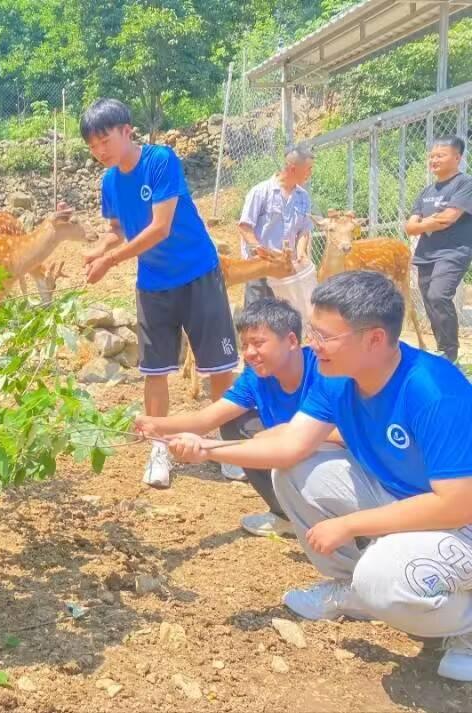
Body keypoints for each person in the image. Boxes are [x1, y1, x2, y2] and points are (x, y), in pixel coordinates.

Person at [166, 270, 472, 682]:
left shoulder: (434, 392)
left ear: (374, 339)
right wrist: (208, 449)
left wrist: (350, 524)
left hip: (462, 522)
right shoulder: (337, 378)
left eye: (325, 336)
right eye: (313, 331)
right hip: (405, 499)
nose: (313, 345)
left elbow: (456, 505)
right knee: (293, 471)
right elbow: (290, 445)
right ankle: (353, 590)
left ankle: (464, 626)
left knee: (383, 581)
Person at [79, 98, 239, 490]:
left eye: (104, 140)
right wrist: (99, 250)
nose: (100, 151)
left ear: (126, 130)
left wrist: (111, 261)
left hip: (197, 272)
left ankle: (225, 444)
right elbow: (117, 229)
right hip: (153, 283)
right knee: (155, 370)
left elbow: (160, 227)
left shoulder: (160, 160)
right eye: (92, 146)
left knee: (218, 366)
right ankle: (159, 448)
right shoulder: (110, 182)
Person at [135, 297, 336, 537]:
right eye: (245, 345)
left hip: (331, 457)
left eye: (258, 343)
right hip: (287, 450)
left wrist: (288, 431)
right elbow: (205, 420)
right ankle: (285, 514)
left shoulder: (325, 369)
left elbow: (351, 430)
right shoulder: (256, 378)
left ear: (292, 341)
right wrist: (152, 424)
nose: (250, 353)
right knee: (233, 423)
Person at [405, 136, 472, 364]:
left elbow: (450, 217)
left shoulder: (465, 184)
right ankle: (442, 351)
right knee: (430, 302)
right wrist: (430, 222)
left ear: (457, 157)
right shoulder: (426, 191)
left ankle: (450, 354)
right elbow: (409, 227)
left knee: (438, 295)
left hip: (453, 251)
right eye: (432, 156)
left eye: (440, 155)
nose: (434, 160)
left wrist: (426, 223)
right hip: (426, 254)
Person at [238, 148, 315, 307]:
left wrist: (300, 253)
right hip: (260, 270)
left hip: (286, 271)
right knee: (256, 317)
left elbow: (304, 230)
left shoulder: (303, 197)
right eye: (308, 169)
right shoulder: (260, 192)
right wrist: (261, 252)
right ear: (293, 168)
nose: (310, 173)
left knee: (284, 319)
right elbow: (245, 227)